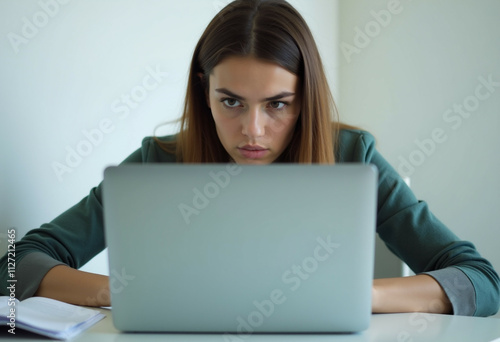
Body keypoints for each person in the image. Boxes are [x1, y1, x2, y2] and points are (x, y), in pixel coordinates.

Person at [1, 0, 499, 317]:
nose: (252, 130)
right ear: (205, 91)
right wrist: (130, 290)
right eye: (231, 101)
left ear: (305, 98)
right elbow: (13, 263)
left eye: (277, 104)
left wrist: (358, 297)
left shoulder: (352, 155)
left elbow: (481, 280)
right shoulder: (158, 162)